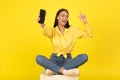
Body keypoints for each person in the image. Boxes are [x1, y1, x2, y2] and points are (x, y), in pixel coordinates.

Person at [36, 8, 93, 76]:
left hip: (68, 60)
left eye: (67, 16)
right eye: (63, 15)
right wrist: (41, 23)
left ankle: (54, 70)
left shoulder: (73, 30)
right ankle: (64, 71)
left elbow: (89, 34)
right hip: (54, 60)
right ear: (57, 17)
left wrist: (85, 22)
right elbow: (45, 30)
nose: (65, 18)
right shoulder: (53, 31)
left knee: (84, 57)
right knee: (39, 58)